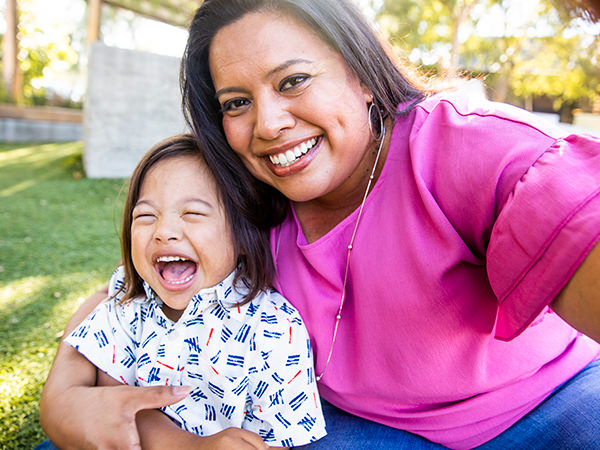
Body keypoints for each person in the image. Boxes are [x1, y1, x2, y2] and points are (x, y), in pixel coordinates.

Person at [40, 0, 600, 449]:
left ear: (360, 72)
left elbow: (571, 219)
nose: (268, 124)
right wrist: (64, 392)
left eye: (293, 81)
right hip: (358, 426)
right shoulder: (246, 195)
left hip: (559, 403)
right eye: (236, 103)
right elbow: (131, 288)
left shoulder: (466, 149)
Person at [42, 134, 326, 449]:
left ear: (244, 235)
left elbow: (279, 439)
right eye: (146, 216)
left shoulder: (275, 328)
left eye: (192, 213)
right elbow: (113, 404)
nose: (163, 232)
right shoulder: (126, 301)